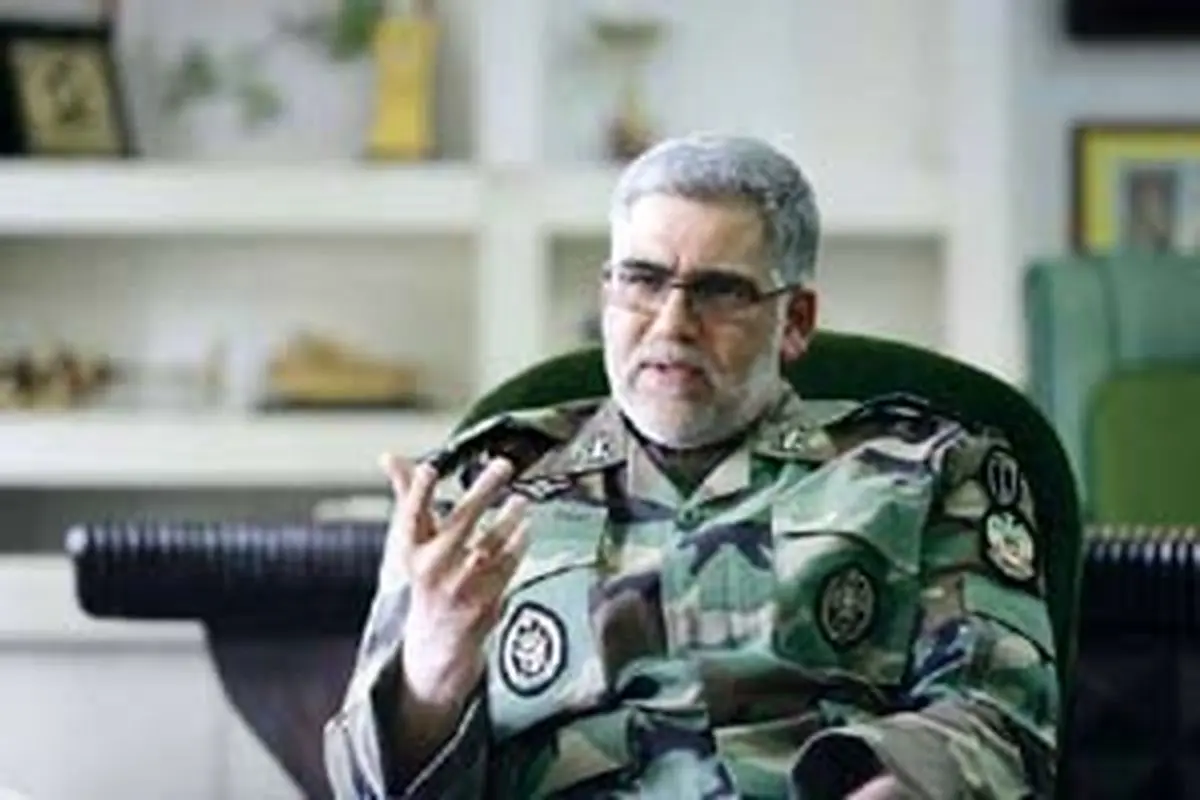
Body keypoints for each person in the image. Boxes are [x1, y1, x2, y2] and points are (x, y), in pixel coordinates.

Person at [323, 134, 1059, 798]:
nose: (672, 324)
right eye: (642, 280)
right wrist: (432, 668)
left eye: (719, 291)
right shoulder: (484, 485)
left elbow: (998, 721)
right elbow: (366, 788)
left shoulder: (930, 469)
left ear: (795, 321)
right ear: (607, 296)